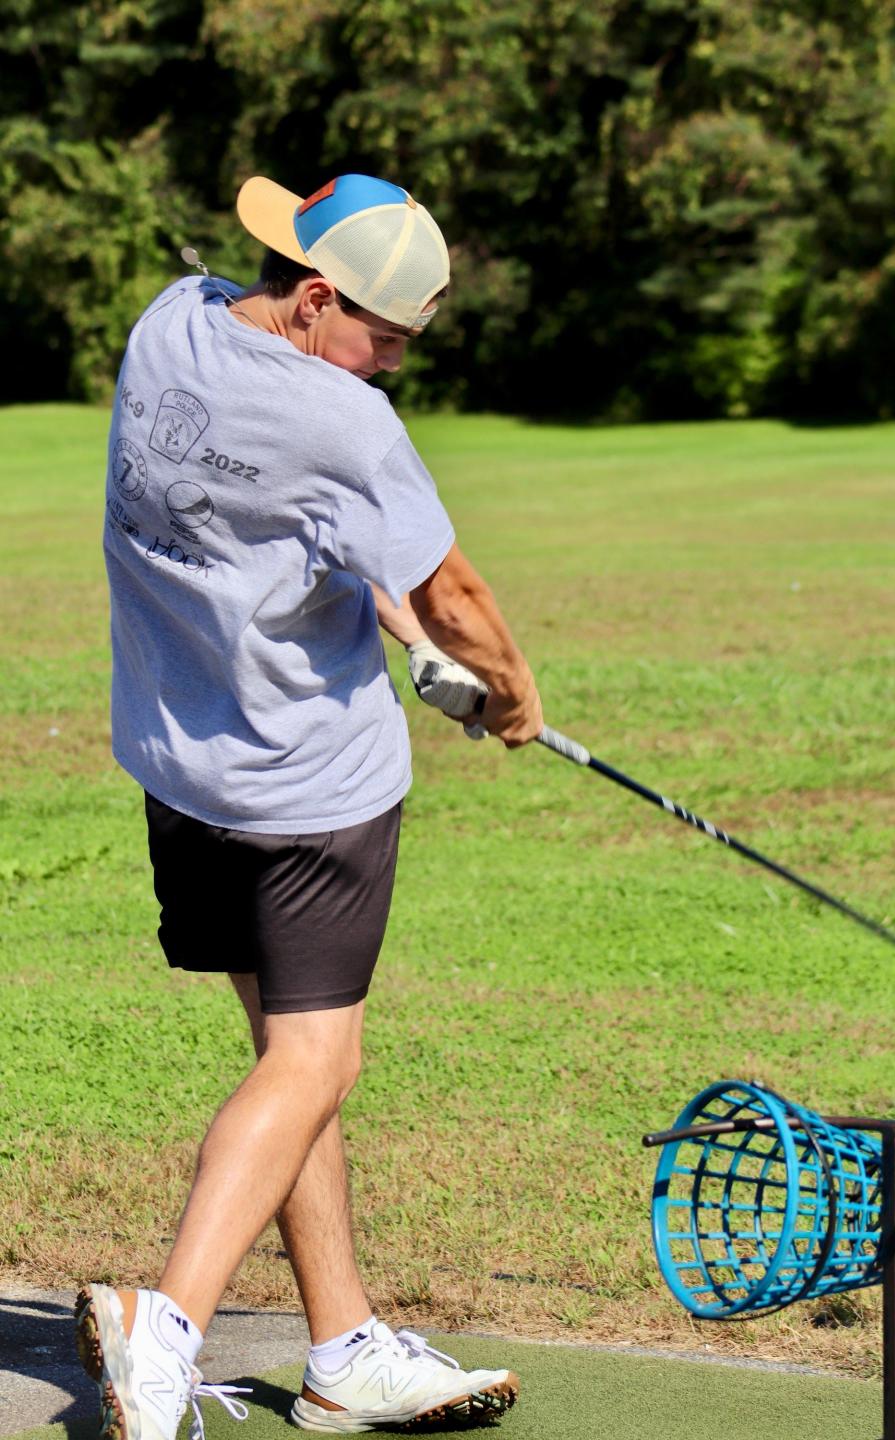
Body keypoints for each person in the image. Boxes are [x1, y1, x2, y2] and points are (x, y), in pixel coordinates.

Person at [78, 172, 542, 1440]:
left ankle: (342, 1350)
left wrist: (395, 625)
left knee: (294, 1061)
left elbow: (290, 527)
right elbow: (455, 590)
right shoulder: (350, 421)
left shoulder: (169, 326)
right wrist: (510, 694)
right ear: (320, 298)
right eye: (386, 337)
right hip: (306, 789)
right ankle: (163, 1329)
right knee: (320, 1057)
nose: (392, 364)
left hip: (182, 767)